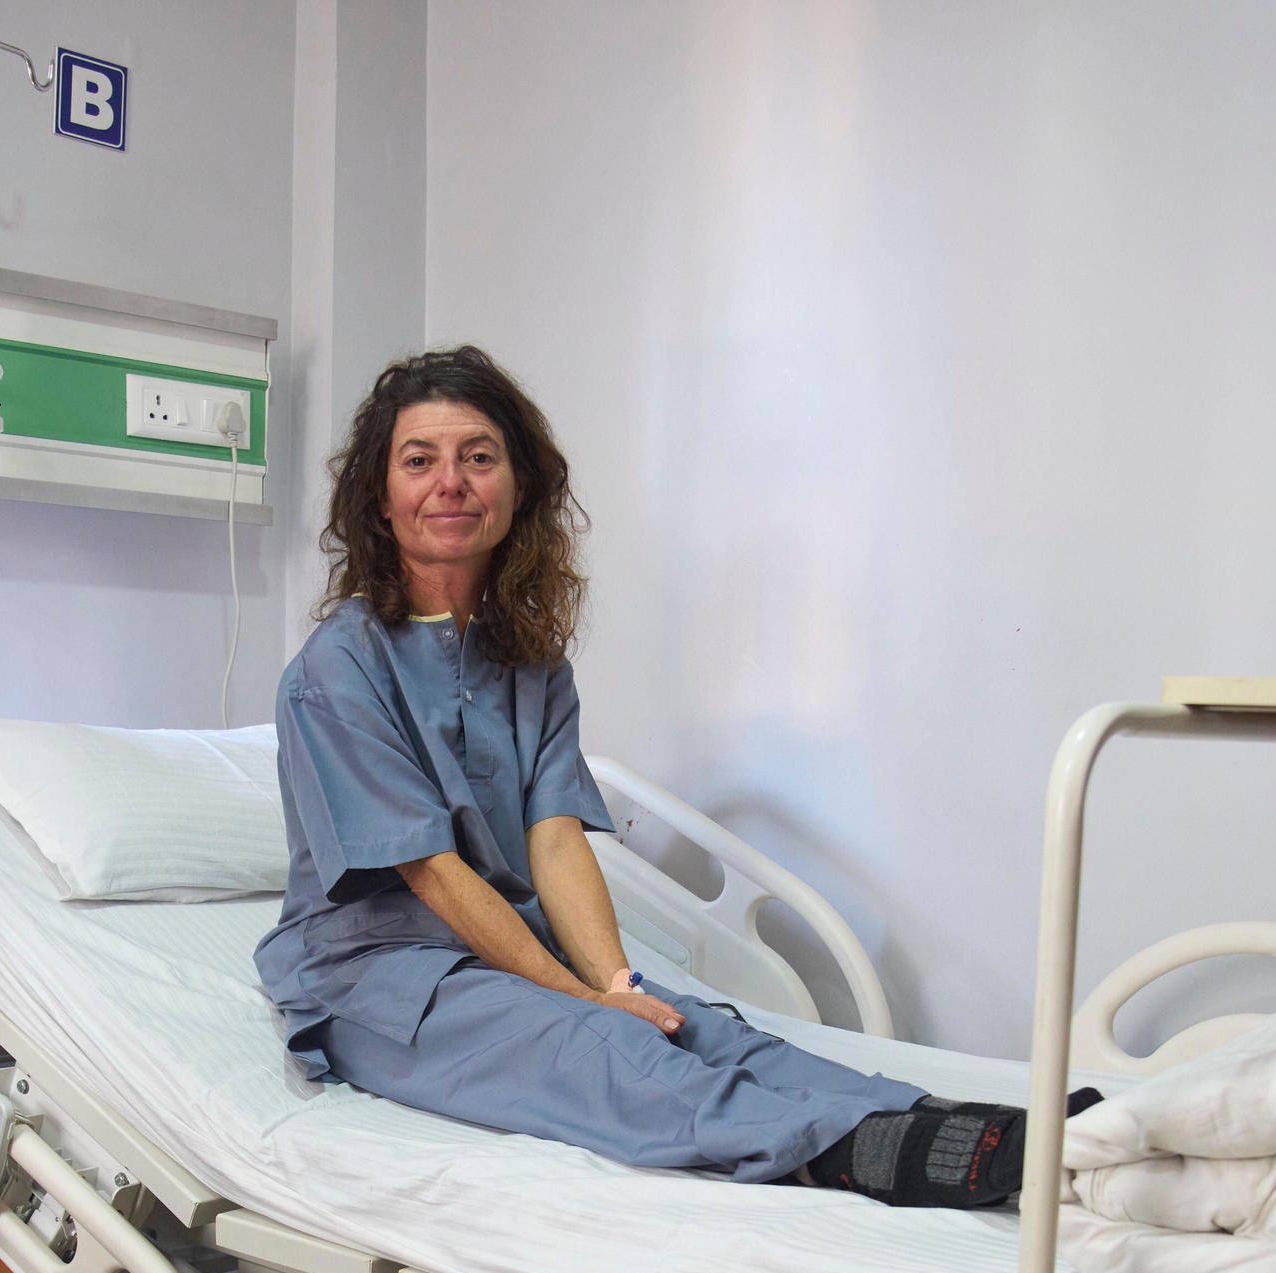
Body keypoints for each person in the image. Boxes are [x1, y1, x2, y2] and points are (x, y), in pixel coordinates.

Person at [254, 345, 1067, 1208]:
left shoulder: (531, 665)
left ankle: (984, 1128)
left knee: (704, 1032)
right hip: (383, 978)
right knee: (606, 1054)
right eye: (419, 461)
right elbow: (431, 871)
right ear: (381, 500)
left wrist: (615, 985)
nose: (450, 482)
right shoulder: (337, 669)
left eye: (478, 456)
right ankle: (869, 1154)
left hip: (505, 954)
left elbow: (556, 842)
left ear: (517, 487)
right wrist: (583, 1001)